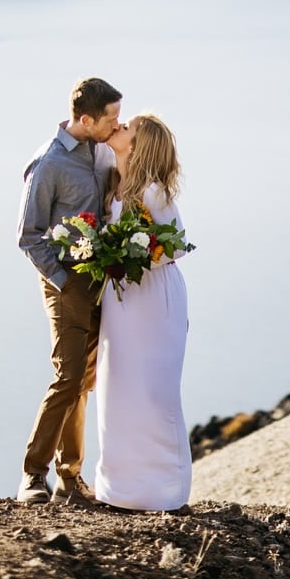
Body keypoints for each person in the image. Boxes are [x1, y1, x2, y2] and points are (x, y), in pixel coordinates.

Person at [15, 76, 122, 504]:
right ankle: (31, 476)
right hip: (66, 282)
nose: (118, 123)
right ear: (85, 119)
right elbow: (28, 236)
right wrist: (64, 283)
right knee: (68, 378)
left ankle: (70, 478)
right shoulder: (49, 164)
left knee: (84, 381)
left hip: (100, 281)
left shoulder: (100, 150)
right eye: (111, 117)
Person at [94, 113, 193, 511]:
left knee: (152, 392)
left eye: (126, 129)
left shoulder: (155, 193)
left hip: (153, 298)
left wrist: (133, 254)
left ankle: (162, 490)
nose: (118, 129)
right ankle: (120, 488)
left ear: (138, 146)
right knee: (117, 386)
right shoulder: (116, 184)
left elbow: (176, 247)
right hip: (121, 301)